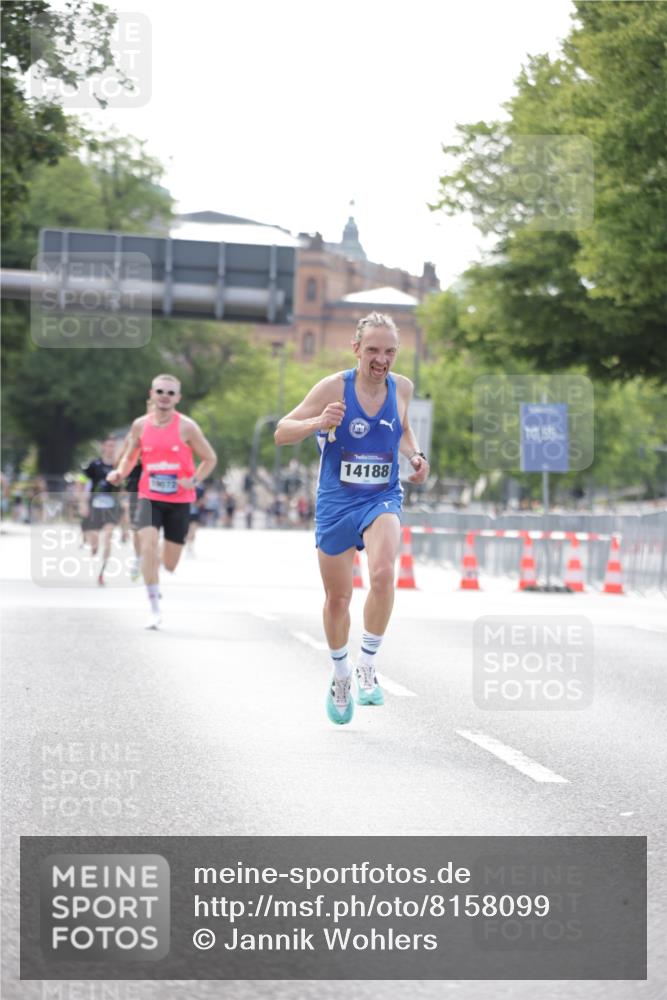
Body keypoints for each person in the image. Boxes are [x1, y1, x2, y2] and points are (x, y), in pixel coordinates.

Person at [274, 312, 429, 725]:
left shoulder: (402, 387)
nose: (382, 359)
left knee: (383, 573)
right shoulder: (333, 387)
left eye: (390, 351)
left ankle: (367, 664)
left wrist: (415, 455)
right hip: (337, 502)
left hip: (381, 496)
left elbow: (403, 428)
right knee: (338, 599)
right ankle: (341, 673)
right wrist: (318, 422)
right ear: (357, 349)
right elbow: (282, 431)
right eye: (373, 350)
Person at [107, 373, 217, 628]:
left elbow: (210, 458)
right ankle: (154, 608)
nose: (164, 396)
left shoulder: (187, 427)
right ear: (151, 394)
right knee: (147, 545)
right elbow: (130, 456)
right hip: (149, 495)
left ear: (178, 398)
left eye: (170, 393)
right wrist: (120, 472)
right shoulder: (140, 425)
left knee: (169, 563)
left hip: (179, 499)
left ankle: (156, 562)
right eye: (160, 392)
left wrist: (193, 480)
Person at [80, 436, 122, 585]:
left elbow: (124, 486)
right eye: (108, 445)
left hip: (112, 507)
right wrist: (82, 503)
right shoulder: (94, 465)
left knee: (108, 538)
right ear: (103, 447)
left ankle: (102, 573)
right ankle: (93, 547)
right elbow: (82, 482)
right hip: (95, 507)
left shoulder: (119, 466)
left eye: (113, 446)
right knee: (95, 543)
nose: (111, 449)